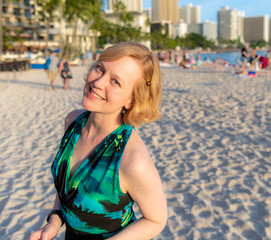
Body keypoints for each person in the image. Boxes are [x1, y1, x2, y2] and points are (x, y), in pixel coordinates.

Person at [29, 42, 168, 240]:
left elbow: (156, 220)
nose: (98, 82)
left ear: (131, 101)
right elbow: (67, 189)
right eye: (100, 68)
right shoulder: (72, 122)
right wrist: (54, 222)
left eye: (115, 82)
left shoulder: (132, 159)